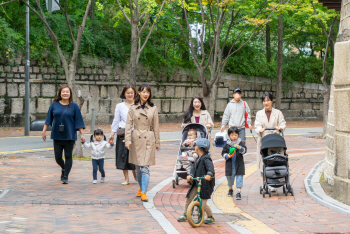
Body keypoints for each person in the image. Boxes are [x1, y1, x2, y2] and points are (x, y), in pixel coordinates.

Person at [42, 85, 85, 184]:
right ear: (60, 93)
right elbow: (49, 119)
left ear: (70, 94)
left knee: (68, 156)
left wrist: (82, 134)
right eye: (63, 92)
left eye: (67, 92)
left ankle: (65, 177)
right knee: (58, 158)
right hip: (57, 135)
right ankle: (64, 168)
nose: (65, 93)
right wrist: (44, 131)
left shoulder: (74, 106)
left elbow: (79, 121)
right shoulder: (54, 105)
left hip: (69, 135)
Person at [125, 84, 160, 202]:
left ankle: (144, 191)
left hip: (148, 137)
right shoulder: (133, 107)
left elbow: (156, 125)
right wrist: (128, 140)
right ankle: (140, 188)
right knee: (138, 167)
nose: (145, 94)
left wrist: (157, 142)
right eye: (143, 92)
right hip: (136, 137)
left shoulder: (153, 107)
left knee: (145, 167)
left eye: (148, 92)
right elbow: (128, 125)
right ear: (138, 93)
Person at [177, 138, 215, 224]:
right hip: (197, 183)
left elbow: (211, 168)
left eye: (195, 146)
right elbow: (193, 169)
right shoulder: (198, 159)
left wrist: (209, 174)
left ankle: (210, 216)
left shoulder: (206, 159)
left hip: (206, 184)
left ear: (197, 148)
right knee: (189, 198)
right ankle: (185, 214)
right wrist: (190, 175)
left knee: (203, 203)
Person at [254, 92, 286, 191]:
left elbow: (283, 123)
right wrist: (259, 129)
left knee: (275, 159)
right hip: (264, 139)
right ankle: (266, 182)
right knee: (263, 160)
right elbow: (257, 125)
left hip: (275, 140)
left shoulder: (278, 113)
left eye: (268, 100)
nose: (266, 102)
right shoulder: (259, 113)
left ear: (272, 101)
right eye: (264, 101)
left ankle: (276, 181)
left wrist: (279, 127)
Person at [109, 84, 137, 185]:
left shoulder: (138, 105)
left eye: (131, 93)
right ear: (124, 94)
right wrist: (112, 134)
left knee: (134, 155)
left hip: (135, 133)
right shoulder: (119, 106)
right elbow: (116, 121)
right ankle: (126, 178)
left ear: (134, 94)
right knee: (123, 155)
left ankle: (135, 174)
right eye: (128, 93)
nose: (130, 95)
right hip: (123, 133)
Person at [221, 127, 247, 200]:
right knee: (230, 178)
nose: (234, 137)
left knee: (239, 178)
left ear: (238, 135)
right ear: (229, 136)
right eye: (232, 135)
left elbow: (244, 150)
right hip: (230, 165)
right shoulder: (227, 144)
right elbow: (223, 153)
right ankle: (230, 189)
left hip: (239, 165)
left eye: (236, 135)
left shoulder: (240, 143)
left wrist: (239, 147)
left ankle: (238, 192)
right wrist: (227, 156)